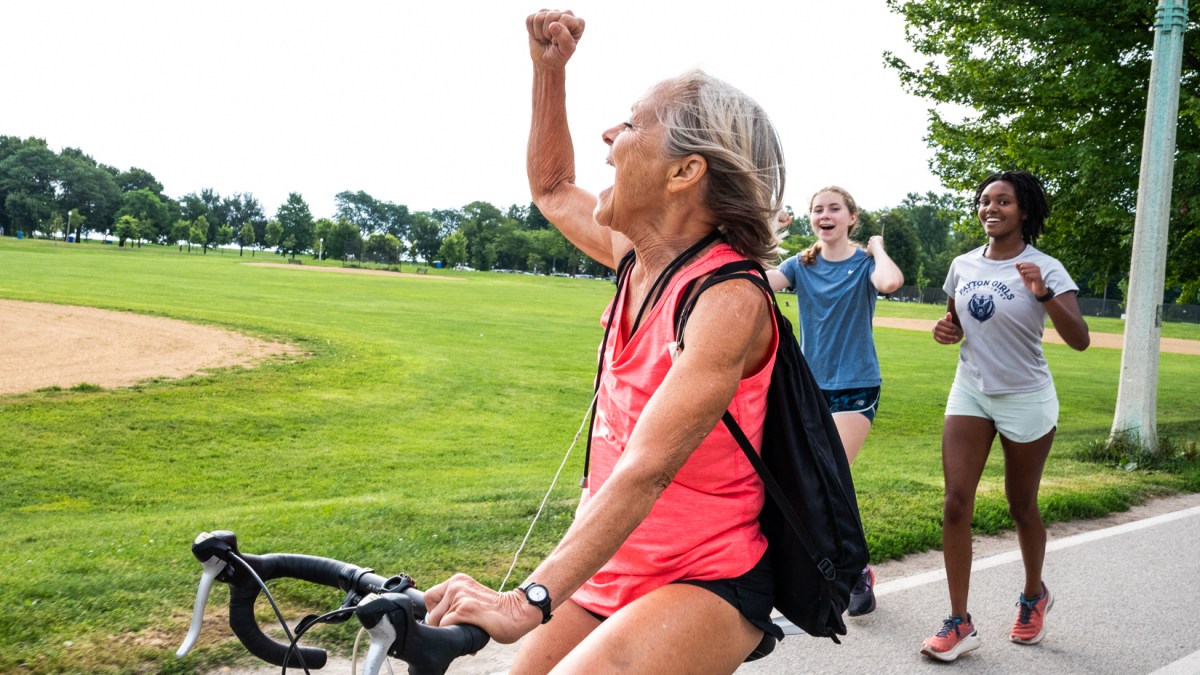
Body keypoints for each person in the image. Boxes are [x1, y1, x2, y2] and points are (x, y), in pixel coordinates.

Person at [423, 10, 789, 674]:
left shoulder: (729, 298)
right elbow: (551, 187)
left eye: (630, 124)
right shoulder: (635, 255)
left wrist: (527, 600)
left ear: (684, 173)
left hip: (706, 575)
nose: (609, 136)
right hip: (614, 562)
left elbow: (647, 467)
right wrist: (548, 72)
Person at [920, 170, 1090, 662]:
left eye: (1004, 201)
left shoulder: (1047, 268)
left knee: (1021, 505)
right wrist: (945, 329)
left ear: (1025, 212)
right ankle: (959, 621)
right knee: (955, 502)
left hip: (1026, 397)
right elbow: (955, 320)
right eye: (985, 201)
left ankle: (1034, 594)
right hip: (971, 391)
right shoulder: (962, 263)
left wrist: (1041, 294)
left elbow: (1079, 338)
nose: (990, 208)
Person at [766, 186, 904, 616]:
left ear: (851, 217)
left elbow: (890, 282)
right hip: (811, 387)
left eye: (834, 209)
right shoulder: (801, 264)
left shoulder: (866, 263)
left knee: (831, 477)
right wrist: (770, 232)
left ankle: (857, 567)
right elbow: (751, 280)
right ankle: (812, 566)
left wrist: (877, 247)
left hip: (856, 386)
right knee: (806, 479)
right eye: (817, 210)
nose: (824, 215)